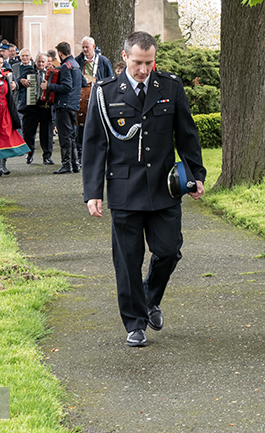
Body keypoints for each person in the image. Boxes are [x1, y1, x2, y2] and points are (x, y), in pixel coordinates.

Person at [83, 31, 206, 347]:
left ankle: (150, 297)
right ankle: (135, 324)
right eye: (138, 62)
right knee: (127, 259)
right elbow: (95, 145)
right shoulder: (105, 92)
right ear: (124, 57)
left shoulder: (169, 86)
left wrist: (195, 174)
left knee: (168, 250)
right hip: (125, 189)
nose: (143, 69)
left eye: (149, 62)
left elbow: (187, 134)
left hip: (165, 187)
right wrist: (93, 192)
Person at [41, 41, 81, 174]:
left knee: (64, 136)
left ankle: (66, 165)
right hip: (74, 104)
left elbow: (66, 87)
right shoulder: (75, 65)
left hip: (64, 104)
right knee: (71, 135)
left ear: (60, 53)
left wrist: (49, 86)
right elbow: (82, 82)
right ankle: (75, 164)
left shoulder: (66, 66)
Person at [75, 36, 113, 160]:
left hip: (98, 97)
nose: (85, 49)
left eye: (87, 47)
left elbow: (110, 79)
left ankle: (98, 154)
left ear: (94, 47)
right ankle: (81, 154)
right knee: (81, 127)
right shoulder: (78, 61)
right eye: (83, 47)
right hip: (81, 101)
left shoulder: (103, 61)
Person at [19, 53, 55, 165]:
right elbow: (19, 80)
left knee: (47, 133)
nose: (40, 64)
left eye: (42, 62)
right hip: (32, 107)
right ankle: (29, 154)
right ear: (35, 62)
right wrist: (22, 81)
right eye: (39, 62)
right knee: (28, 132)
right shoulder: (29, 71)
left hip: (46, 107)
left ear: (46, 63)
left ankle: (47, 156)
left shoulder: (52, 73)